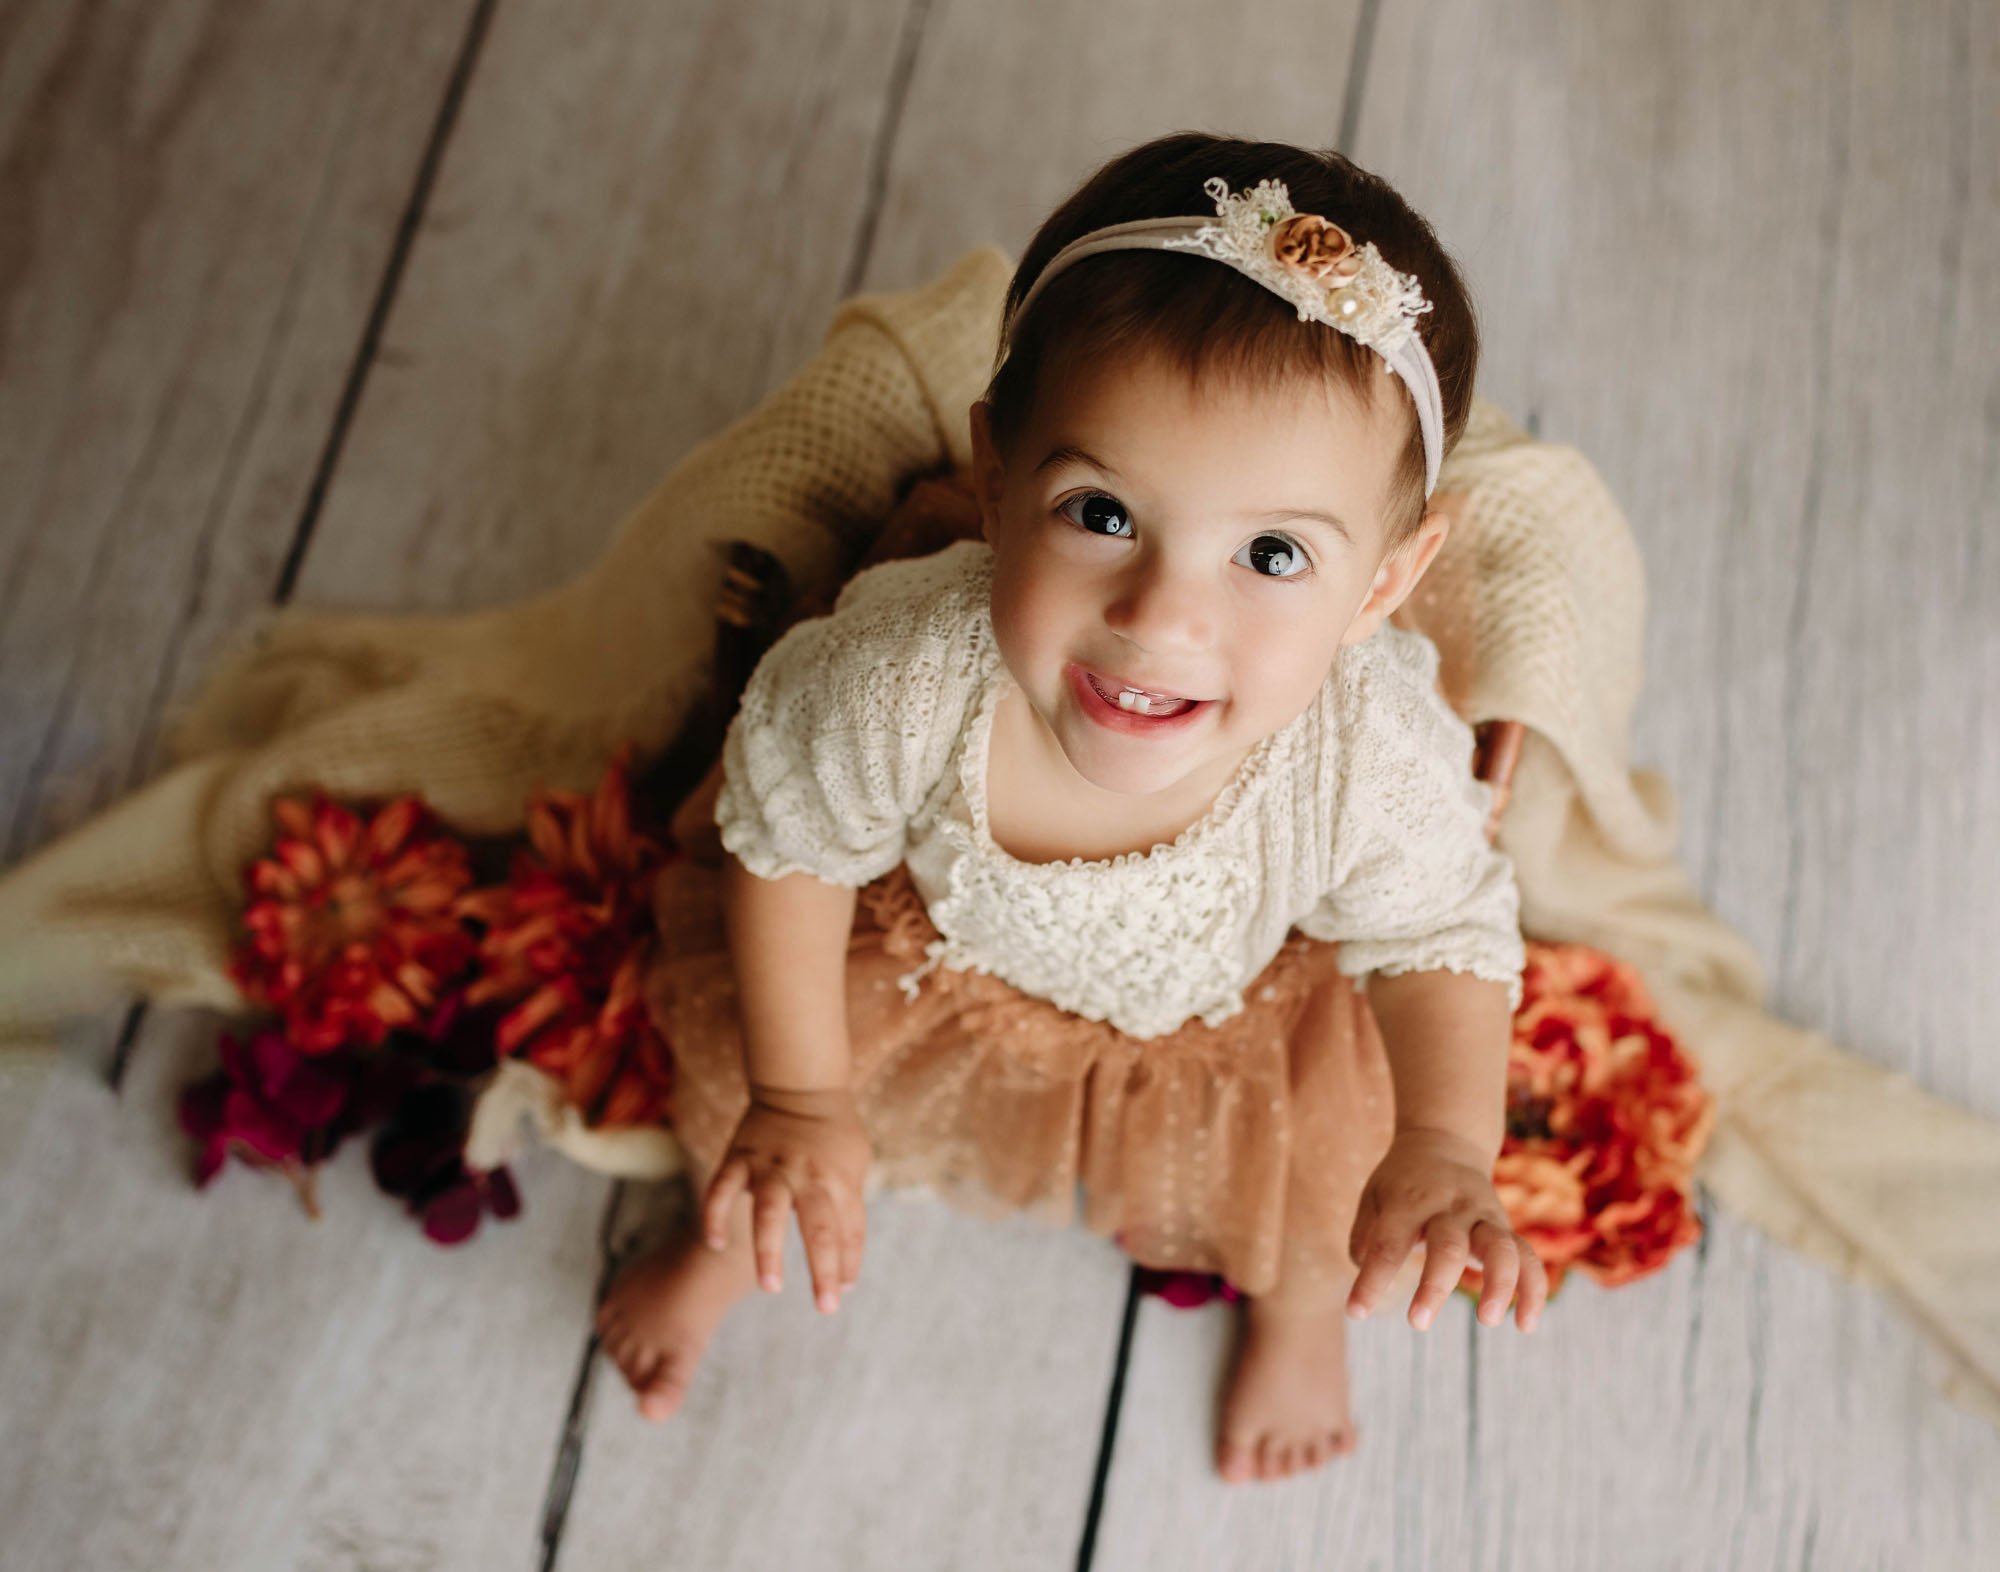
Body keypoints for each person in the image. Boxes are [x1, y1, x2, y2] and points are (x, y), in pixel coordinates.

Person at [594, 131, 1551, 1485]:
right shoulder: (904, 677)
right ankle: (739, 1227)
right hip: (928, 965)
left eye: (1273, 554)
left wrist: (1449, 1146)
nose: (1162, 617)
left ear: (1388, 583)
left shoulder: (1365, 748)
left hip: (1238, 1026)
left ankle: (1299, 1315)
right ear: (995, 471)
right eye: (1101, 512)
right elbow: (792, 849)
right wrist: (802, 1094)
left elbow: (1440, 934)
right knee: (769, 1099)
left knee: (1332, 1172)